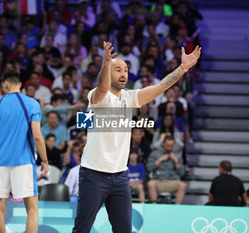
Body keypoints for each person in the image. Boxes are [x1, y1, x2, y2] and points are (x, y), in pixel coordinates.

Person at [72, 41, 200, 232]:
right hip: (93, 174)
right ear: (108, 73)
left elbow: (160, 87)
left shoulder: (130, 97)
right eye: (118, 70)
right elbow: (100, 91)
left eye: (125, 70)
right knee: (82, 229)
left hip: (120, 177)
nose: (123, 73)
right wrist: (106, 63)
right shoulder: (98, 95)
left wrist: (182, 68)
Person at [0, 70, 49, 233]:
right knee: (32, 209)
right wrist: (44, 160)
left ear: (5, 85)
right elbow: (37, 136)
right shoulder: (31, 103)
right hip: (23, 162)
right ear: (20, 85)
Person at [147, 136, 186, 204]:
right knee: (151, 184)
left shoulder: (177, 155)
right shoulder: (155, 154)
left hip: (172, 181)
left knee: (182, 185)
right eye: (168, 146)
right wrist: (159, 160)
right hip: (159, 181)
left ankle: (177, 207)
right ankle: (154, 206)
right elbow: (149, 168)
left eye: (171, 146)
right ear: (163, 144)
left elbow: (182, 173)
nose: (169, 148)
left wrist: (176, 161)